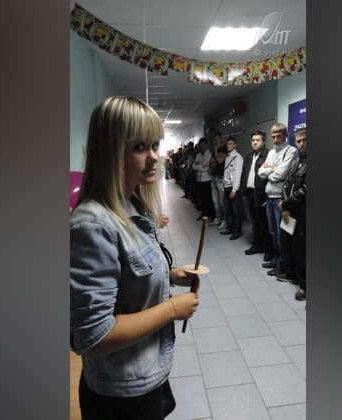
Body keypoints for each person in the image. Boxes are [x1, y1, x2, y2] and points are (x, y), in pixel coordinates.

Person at [70, 96, 200, 419]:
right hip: (120, 395)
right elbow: (95, 336)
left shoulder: (133, 206)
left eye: (155, 145)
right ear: (110, 151)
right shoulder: (92, 225)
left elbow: (127, 274)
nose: (154, 157)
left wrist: (170, 274)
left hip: (147, 374)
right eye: (140, 147)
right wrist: (172, 309)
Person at [258, 123, 297, 277]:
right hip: (269, 196)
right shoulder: (271, 152)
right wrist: (272, 170)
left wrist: (270, 170)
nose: (275, 140)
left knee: (282, 235)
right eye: (273, 137)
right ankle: (276, 259)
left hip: (281, 199)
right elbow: (260, 172)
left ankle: (283, 265)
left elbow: (281, 174)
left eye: (278, 136)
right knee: (273, 232)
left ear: (285, 136)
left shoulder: (291, 151)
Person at [280, 128, 306, 300]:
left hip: (303, 211)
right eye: (298, 141)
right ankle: (293, 275)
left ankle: (305, 286)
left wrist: (286, 203)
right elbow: (287, 182)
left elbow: (305, 190)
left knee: (302, 248)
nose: (302, 144)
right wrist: (286, 205)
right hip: (291, 210)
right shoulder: (297, 160)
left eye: (305, 140)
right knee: (290, 243)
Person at [240, 130, 273, 261]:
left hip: (261, 194)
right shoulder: (249, 156)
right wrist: (243, 191)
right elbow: (244, 174)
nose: (255, 142)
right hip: (249, 193)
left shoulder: (268, 155)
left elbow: (270, 175)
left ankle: (268, 249)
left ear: (263, 142)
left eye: (258, 140)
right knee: (254, 221)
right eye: (253, 140)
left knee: (264, 223)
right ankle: (257, 245)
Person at [221, 137, 244, 240]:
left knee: (236, 211)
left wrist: (234, 190)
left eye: (230, 144)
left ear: (235, 145)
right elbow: (225, 173)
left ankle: (237, 231)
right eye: (227, 144)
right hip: (227, 187)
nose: (228, 146)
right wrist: (223, 187)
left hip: (233, 188)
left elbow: (238, 174)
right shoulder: (227, 157)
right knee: (228, 210)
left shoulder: (238, 157)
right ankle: (230, 228)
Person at [192, 138, 215, 221]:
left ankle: (211, 215)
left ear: (205, 145)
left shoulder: (209, 154)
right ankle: (204, 213)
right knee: (202, 198)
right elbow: (193, 166)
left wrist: (199, 166)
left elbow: (207, 168)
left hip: (207, 180)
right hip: (199, 179)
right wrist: (202, 166)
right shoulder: (198, 155)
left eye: (202, 145)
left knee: (208, 198)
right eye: (199, 145)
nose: (200, 147)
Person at [210, 145, 227, 228]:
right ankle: (218, 218)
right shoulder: (215, 153)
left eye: (217, 139)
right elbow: (211, 165)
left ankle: (225, 220)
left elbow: (220, 161)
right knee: (215, 201)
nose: (215, 142)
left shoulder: (224, 151)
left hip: (220, 179)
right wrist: (215, 159)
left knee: (222, 202)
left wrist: (216, 150)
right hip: (213, 178)